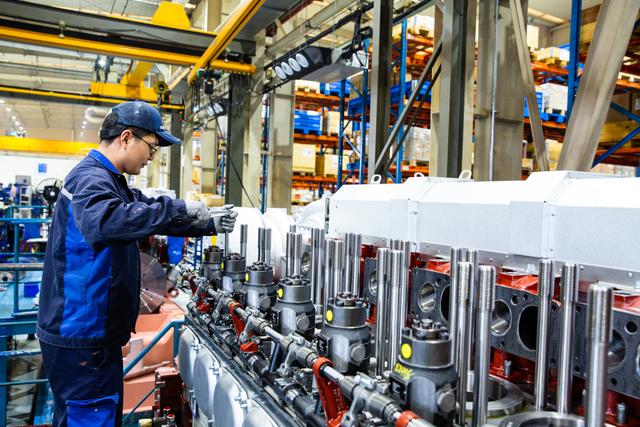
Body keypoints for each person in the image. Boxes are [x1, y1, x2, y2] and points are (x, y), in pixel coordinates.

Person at [37, 101, 237, 427]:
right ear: (127, 137)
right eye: (152, 147)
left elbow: (144, 208)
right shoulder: (91, 180)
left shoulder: (109, 180)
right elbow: (112, 221)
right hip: (83, 338)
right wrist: (184, 211)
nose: (151, 157)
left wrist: (204, 221)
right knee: (91, 418)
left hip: (91, 337)